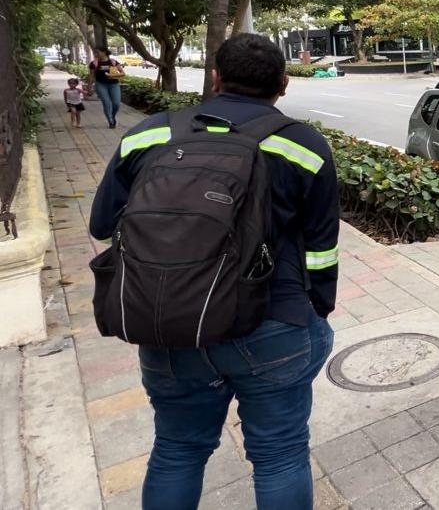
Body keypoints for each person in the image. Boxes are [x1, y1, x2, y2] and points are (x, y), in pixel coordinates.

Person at [88, 34, 339, 509]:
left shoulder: (150, 133)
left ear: (217, 78)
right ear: (283, 85)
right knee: (279, 456)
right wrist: (315, 310)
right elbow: (322, 251)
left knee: (177, 450)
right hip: (272, 322)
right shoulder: (303, 145)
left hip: (170, 326)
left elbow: (103, 226)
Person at [87, 47, 124, 128]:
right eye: (95, 53)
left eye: (97, 52)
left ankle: (112, 116)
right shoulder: (94, 63)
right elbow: (91, 76)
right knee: (107, 103)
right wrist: (89, 88)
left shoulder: (113, 62)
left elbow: (122, 73)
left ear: (104, 52)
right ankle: (110, 121)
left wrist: (112, 75)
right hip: (101, 85)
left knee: (116, 103)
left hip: (114, 84)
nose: (96, 54)